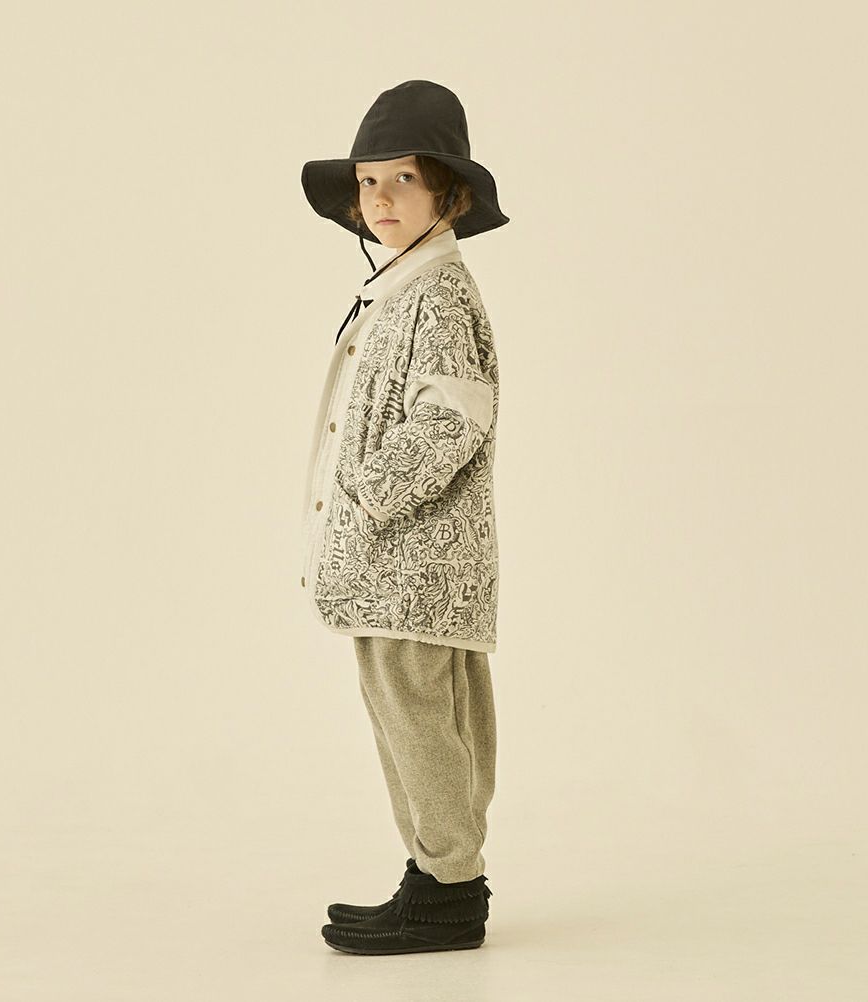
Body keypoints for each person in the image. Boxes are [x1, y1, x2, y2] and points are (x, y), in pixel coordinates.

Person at [300, 79, 509, 955]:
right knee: (414, 720)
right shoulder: (402, 288)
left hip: (414, 563)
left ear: (447, 194)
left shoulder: (437, 295)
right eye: (368, 181)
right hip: (395, 564)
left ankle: (449, 889)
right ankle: (433, 877)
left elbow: (453, 416)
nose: (380, 198)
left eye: (403, 180)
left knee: (424, 721)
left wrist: (368, 494)